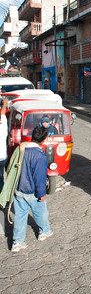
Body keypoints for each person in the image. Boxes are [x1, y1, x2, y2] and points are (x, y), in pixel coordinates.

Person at [11, 125, 53, 253]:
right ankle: (44, 231)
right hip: (32, 191)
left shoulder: (21, 149)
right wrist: (42, 194)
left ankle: (17, 242)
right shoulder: (40, 156)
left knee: (19, 216)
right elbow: (39, 178)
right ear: (44, 140)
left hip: (19, 189)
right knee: (40, 213)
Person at [0, 97, 8, 192]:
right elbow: (2, 114)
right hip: (2, 157)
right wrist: (4, 104)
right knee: (1, 177)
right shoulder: (2, 127)